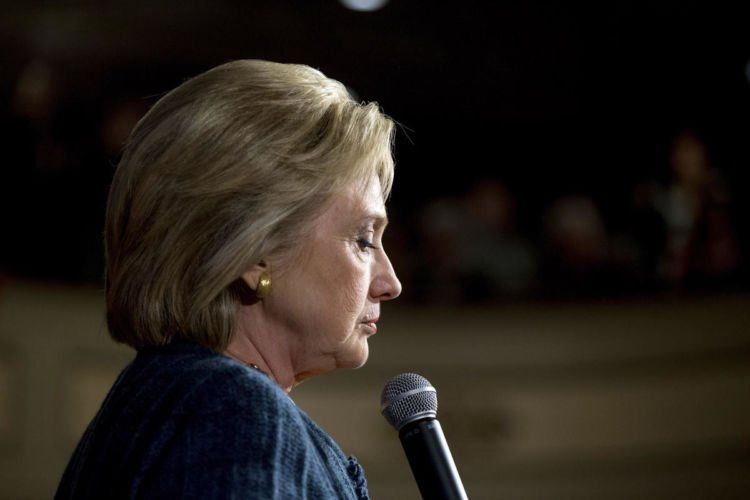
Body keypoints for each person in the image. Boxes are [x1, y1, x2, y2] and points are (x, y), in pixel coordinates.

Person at [55, 59, 402, 499]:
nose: (391, 283)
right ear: (257, 251)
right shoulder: (233, 413)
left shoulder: (177, 401)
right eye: (364, 239)